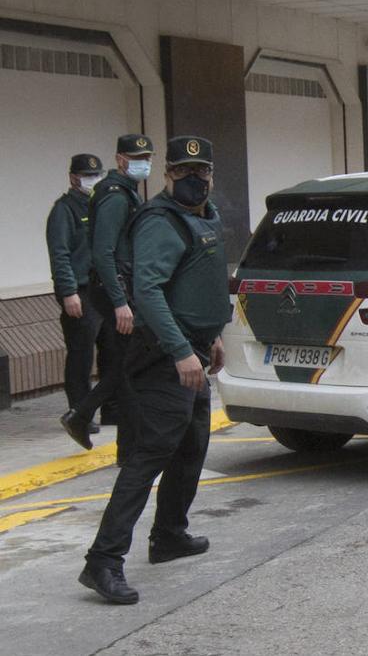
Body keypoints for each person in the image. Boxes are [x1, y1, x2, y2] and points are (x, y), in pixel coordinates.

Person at [79, 135, 231, 605]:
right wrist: (183, 351)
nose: (193, 179)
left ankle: (168, 535)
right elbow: (148, 290)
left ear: (211, 174)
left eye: (201, 171)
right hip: (167, 355)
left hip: (197, 349)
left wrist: (212, 338)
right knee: (148, 457)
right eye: (183, 172)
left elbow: (197, 283)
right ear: (168, 175)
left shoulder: (204, 215)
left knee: (191, 446)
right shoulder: (160, 222)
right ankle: (102, 562)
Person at [60, 134, 152, 451]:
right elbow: (103, 253)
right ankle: (84, 415)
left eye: (148, 157)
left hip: (119, 288)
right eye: (138, 158)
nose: (145, 164)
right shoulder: (115, 196)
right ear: (121, 160)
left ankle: (121, 441)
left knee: (125, 365)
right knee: (128, 364)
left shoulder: (124, 192)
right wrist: (120, 302)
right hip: (116, 291)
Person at [49, 154, 106, 435]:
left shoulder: (98, 206)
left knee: (111, 352)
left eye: (96, 175)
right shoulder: (64, 210)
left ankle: (111, 408)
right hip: (80, 291)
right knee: (81, 355)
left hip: (102, 290)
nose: (92, 180)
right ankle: (79, 410)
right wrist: (68, 291)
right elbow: (60, 255)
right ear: (73, 177)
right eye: (87, 175)